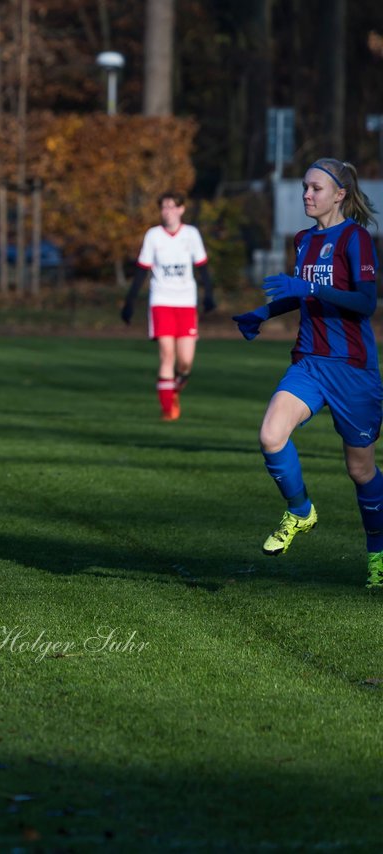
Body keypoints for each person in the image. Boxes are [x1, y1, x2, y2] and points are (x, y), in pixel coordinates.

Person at [231, 158, 382, 587]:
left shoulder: (356, 238)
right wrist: (261, 313)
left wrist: (310, 287)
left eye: (316, 188)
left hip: (353, 369)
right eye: (304, 188)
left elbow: (366, 303)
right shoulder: (302, 240)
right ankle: (300, 511)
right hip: (310, 362)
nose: (306, 196)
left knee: (360, 471)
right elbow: (300, 296)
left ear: (340, 194)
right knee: (271, 435)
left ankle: (378, 557)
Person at [121, 192, 215, 420]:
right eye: (164, 207)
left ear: (181, 210)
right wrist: (129, 302)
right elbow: (142, 271)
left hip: (185, 302)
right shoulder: (153, 236)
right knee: (167, 354)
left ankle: (176, 383)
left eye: (173, 207)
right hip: (161, 301)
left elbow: (202, 267)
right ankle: (168, 410)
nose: (168, 211)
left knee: (185, 362)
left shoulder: (191, 234)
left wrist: (209, 295)